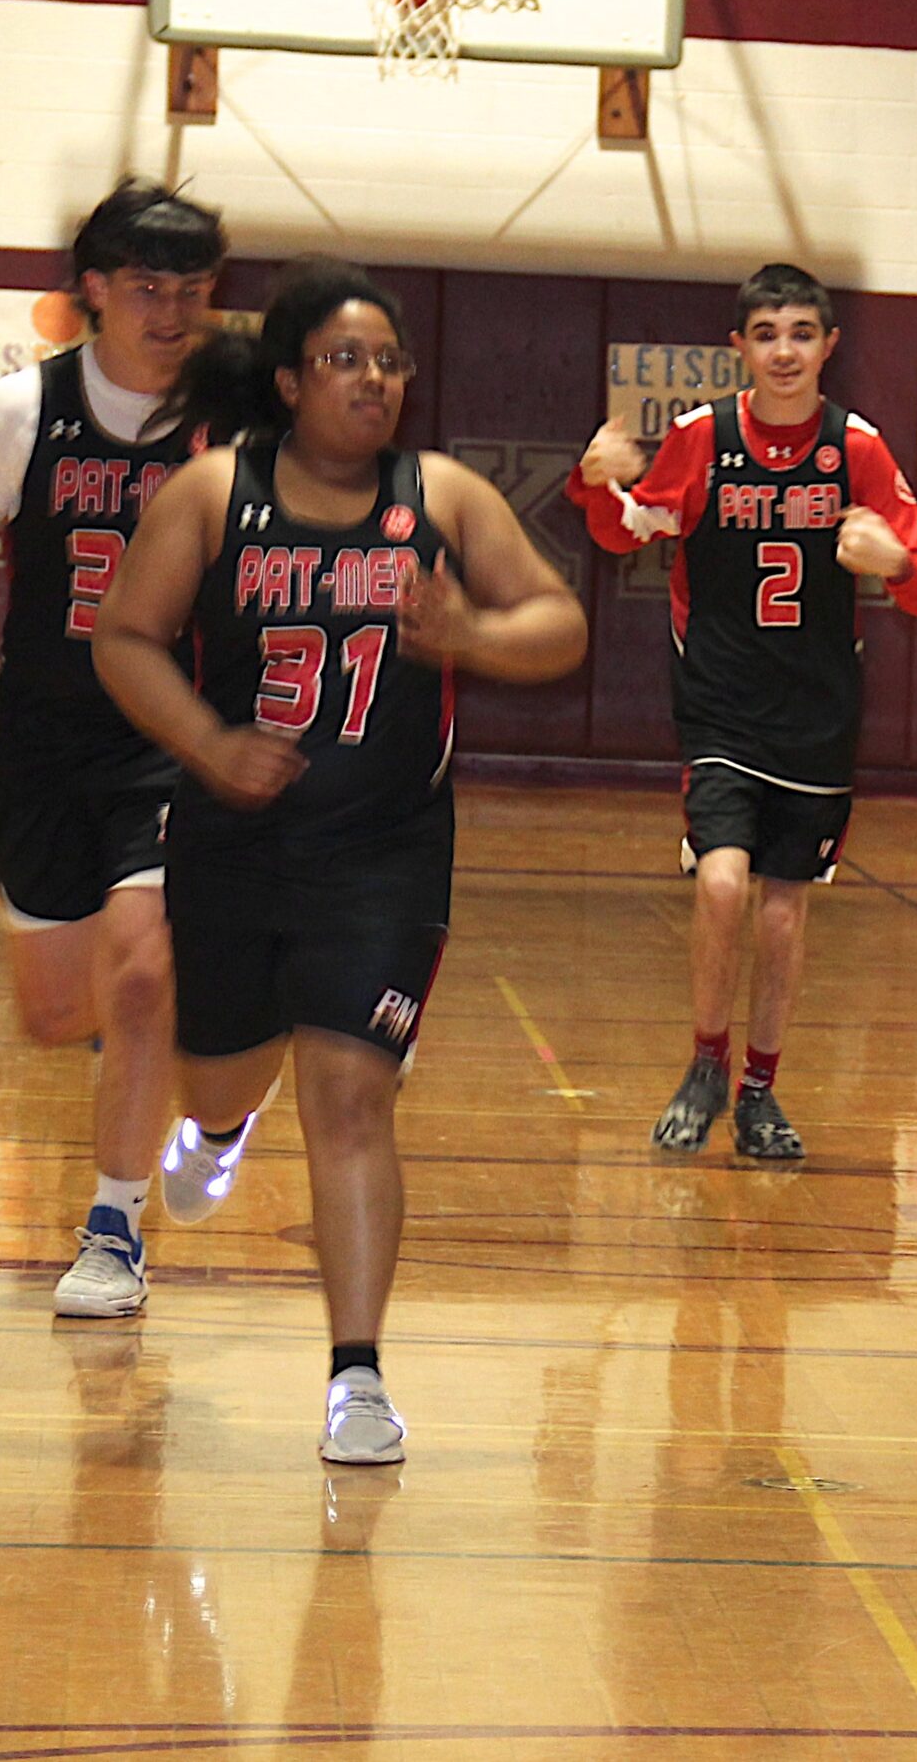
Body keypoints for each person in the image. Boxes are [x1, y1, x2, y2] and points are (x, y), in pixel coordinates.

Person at [95, 259, 588, 1462]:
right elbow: (125, 636)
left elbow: (561, 622)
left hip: (386, 853)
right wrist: (208, 742)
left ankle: (357, 1375)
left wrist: (470, 628)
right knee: (225, 1076)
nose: (373, 381)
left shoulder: (447, 497)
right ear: (289, 381)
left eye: (388, 362)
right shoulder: (215, 495)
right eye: (344, 360)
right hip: (233, 844)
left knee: (353, 1094)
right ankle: (212, 1133)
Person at [0, 178, 239, 1318]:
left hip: (174, 734)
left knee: (141, 966)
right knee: (59, 1012)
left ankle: (114, 1225)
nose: (173, 309)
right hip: (46, 734)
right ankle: (182, 1054)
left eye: (193, 288)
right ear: (94, 291)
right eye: (149, 286)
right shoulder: (19, 411)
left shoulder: (234, 418)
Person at [570, 263, 917, 1163]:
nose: (785, 350)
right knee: (722, 882)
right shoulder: (704, 437)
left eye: (802, 333)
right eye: (767, 333)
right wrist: (594, 483)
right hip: (722, 705)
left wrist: (893, 561)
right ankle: (704, 1062)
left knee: (782, 910)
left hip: (817, 712)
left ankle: (761, 1089)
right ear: (739, 347)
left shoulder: (857, 448)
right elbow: (631, 530)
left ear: (829, 347)